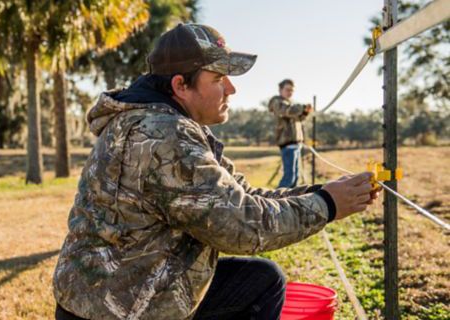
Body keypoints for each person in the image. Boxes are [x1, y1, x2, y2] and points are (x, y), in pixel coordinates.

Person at [53, 23, 378, 320]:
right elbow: (240, 225)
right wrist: (328, 205)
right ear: (181, 85)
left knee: (261, 279)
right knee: (262, 284)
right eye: (219, 78)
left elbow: (242, 196)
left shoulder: (160, 122)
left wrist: (320, 192)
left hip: (105, 293)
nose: (232, 90)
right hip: (118, 308)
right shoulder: (166, 134)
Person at [268, 79, 313, 188]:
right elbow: (287, 111)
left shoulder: (290, 104)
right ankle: (277, 200)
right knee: (289, 177)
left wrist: (305, 112)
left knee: (296, 177)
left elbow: (299, 118)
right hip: (287, 144)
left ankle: (290, 202)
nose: (290, 92)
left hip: (296, 143)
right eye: (287, 90)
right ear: (280, 90)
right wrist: (302, 108)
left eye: (292, 90)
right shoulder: (277, 102)